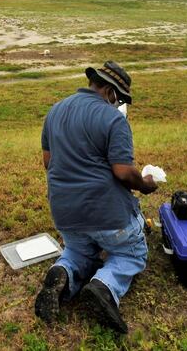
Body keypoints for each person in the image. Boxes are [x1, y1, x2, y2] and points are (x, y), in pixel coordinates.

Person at [35, 61, 158, 333]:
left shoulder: (55, 111)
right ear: (111, 92)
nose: (118, 104)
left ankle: (62, 273)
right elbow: (124, 172)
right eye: (120, 99)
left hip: (66, 215)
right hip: (108, 214)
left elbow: (48, 162)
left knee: (80, 251)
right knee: (131, 254)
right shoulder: (114, 119)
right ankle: (104, 286)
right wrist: (146, 185)